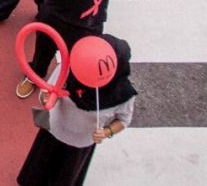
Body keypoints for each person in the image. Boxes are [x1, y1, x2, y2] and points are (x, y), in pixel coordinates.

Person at [17, 34, 137, 185]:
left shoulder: (123, 94)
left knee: (64, 177)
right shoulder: (70, 68)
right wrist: (46, 99)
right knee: (37, 170)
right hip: (52, 130)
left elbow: (124, 120)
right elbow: (47, 93)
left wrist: (107, 132)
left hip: (81, 143)